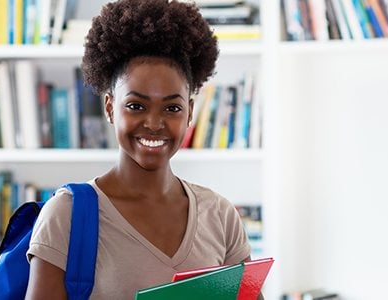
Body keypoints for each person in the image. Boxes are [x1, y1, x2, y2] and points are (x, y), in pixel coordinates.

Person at [25, 0, 260, 299]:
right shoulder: (68, 215)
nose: (153, 123)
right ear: (110, 107)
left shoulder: (220, 215)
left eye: (172, 107)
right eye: (136, 105)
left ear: (189, 112)